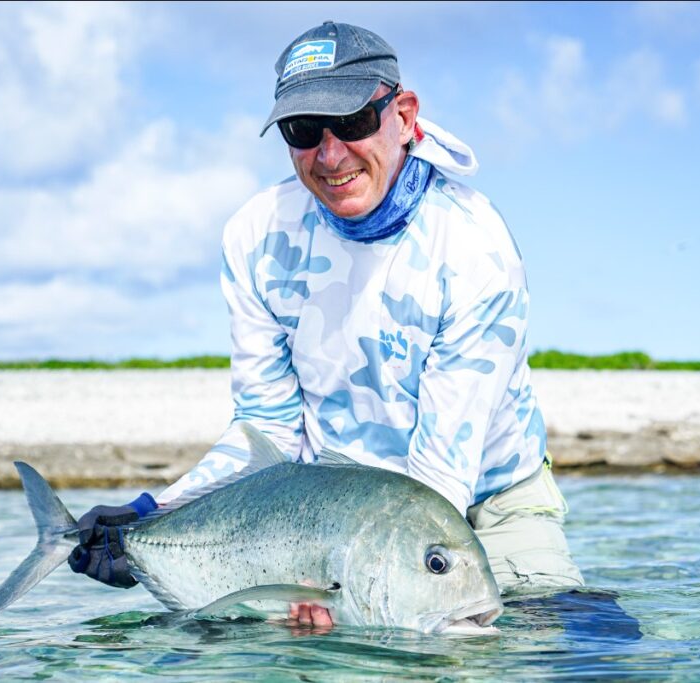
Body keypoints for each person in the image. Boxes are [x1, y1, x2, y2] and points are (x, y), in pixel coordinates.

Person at [69, 21, 584, 628]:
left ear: (404, 114)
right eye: (303, 130)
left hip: (488, 505)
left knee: (553, 652)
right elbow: (268, 429)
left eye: (355, 123)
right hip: (321, 516)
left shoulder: (475, 248)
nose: (331, 154)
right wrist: (156, 511)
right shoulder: (255, 237)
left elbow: (440, 473)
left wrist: (360, 583)